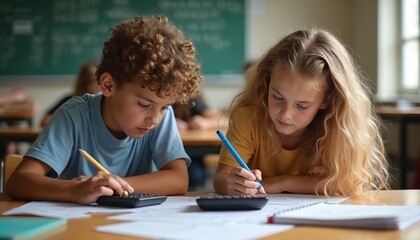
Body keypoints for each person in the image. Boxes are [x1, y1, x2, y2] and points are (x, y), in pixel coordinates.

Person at [6, 15, 202, 204]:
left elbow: (178, 180)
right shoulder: (74, 115)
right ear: (108, 85)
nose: (155, 119)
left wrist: (110, 187)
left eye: (165, 107)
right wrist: (74, 190)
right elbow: (19, 182)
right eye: (144, 105)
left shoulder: (160, 116)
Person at [213, 29, 389, 197]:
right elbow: (221, 178)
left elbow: (348, 183)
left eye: (302, 106)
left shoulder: (338, 126)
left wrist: (282, 183)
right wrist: (232, 183)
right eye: (278, 97)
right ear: (267, 82)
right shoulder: (248, 118)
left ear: (326, 100)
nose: (285, 114)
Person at [172, 95, 228, 190]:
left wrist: (206, 123)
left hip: (192, 156)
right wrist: (170, 123)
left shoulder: (191, 99)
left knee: (195, 175)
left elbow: (224, 120)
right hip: (170, 153)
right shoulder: (161, 97)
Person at [40, 60, 100, 127]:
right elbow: (45, 121)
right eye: (97, 85)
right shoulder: (69, 100)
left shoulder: (103, 105)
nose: (101, 89)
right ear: (88, 86)